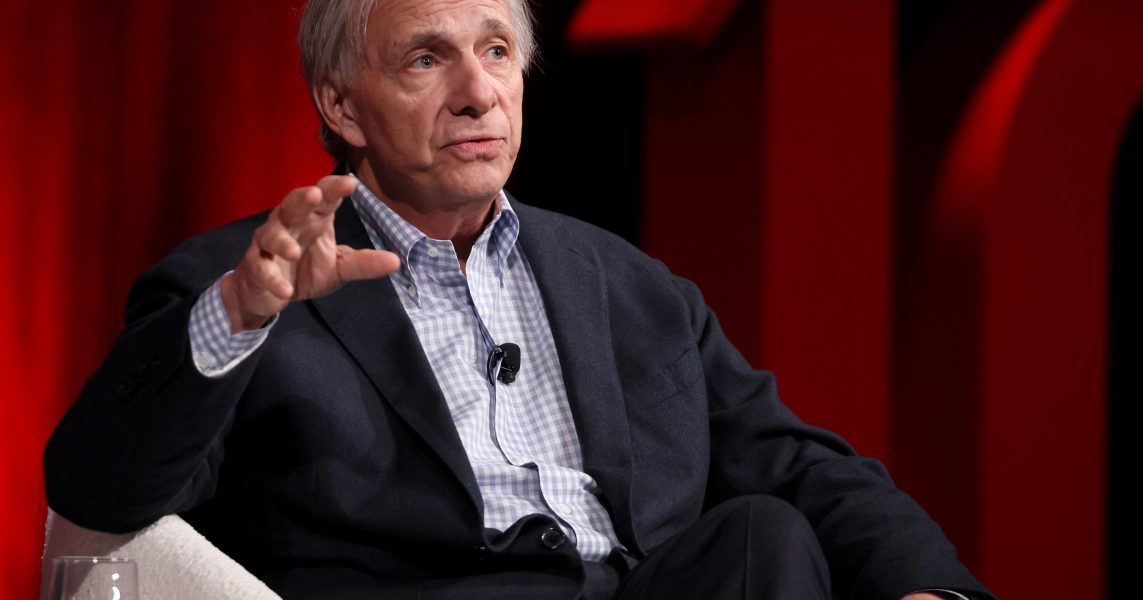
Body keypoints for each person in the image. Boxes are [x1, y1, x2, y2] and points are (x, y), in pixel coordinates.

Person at [45, 1, 994, 599]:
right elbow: (97, 496)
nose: (478, 93)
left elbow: (797, 463)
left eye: (496, 51)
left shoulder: (626, 283)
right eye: (426, 60)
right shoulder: (247, 281)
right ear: (341, 105)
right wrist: (238, 315)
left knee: (762, 538)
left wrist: (926, 590)